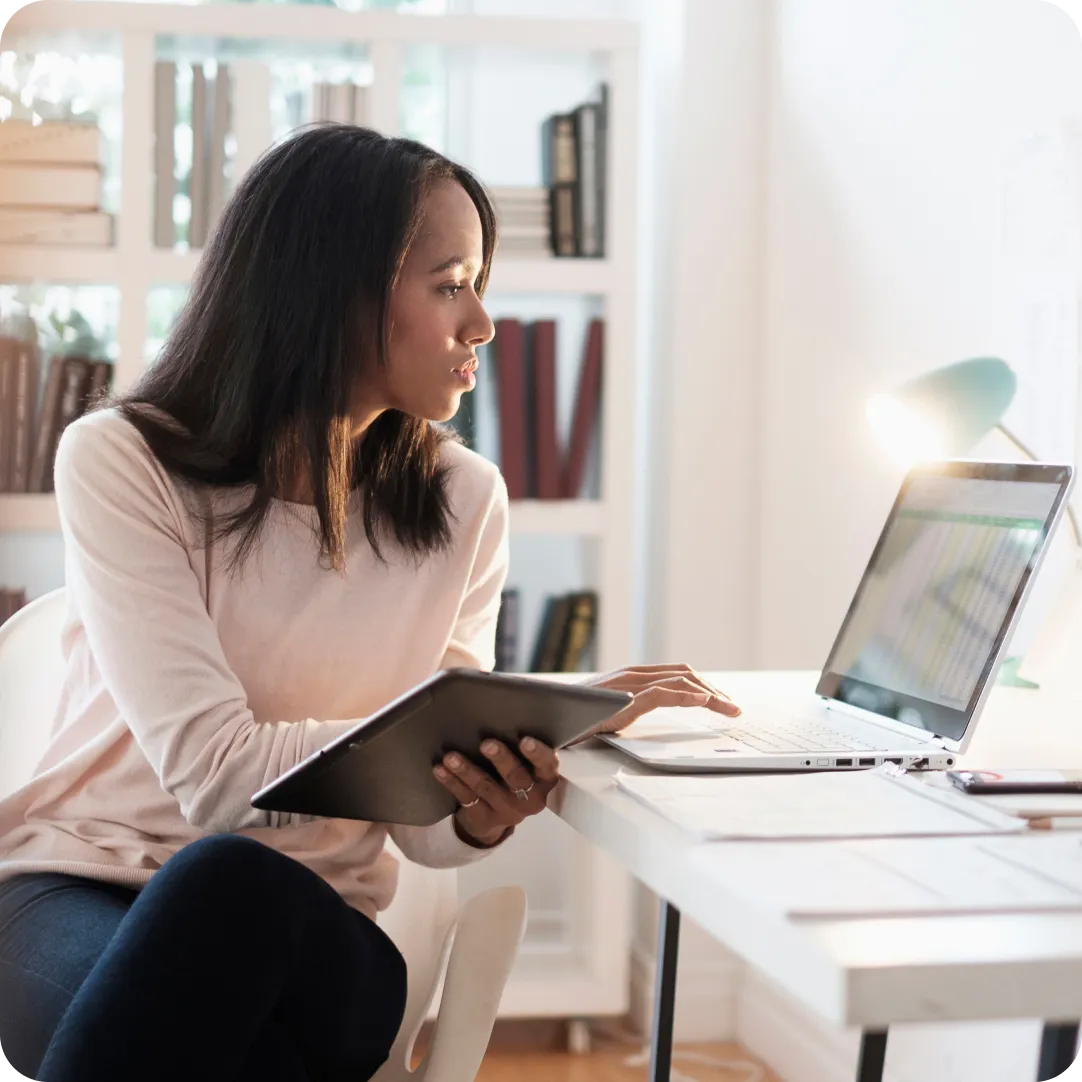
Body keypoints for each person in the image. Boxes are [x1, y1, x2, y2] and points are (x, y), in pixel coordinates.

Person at [0, 125, 739, 1082]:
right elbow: (218, 779)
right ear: (331, 290)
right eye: (449, 283)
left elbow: (423, 833)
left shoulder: (467, 500)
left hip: (318, 930)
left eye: (480, 282)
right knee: (232, 1015)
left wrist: (481, 800)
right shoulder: (123, 459)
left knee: (230, 900)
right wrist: (428, 741)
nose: (482, 322)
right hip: (77, 888)